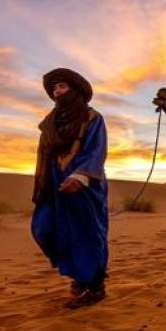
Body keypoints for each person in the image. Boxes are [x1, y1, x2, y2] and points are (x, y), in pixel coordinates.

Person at [31, 68, 109, 309]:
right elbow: (43, 155)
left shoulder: (91, 117)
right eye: (54, 88)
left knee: (86, 233)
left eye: (62, 86)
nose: (57, 91)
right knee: (44, 228)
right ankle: (79, 275)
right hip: (53, 184)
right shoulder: (49, 123)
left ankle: (94, 285)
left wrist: (80, 177)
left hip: (85, 184)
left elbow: (97, 150)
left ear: (74, 90)